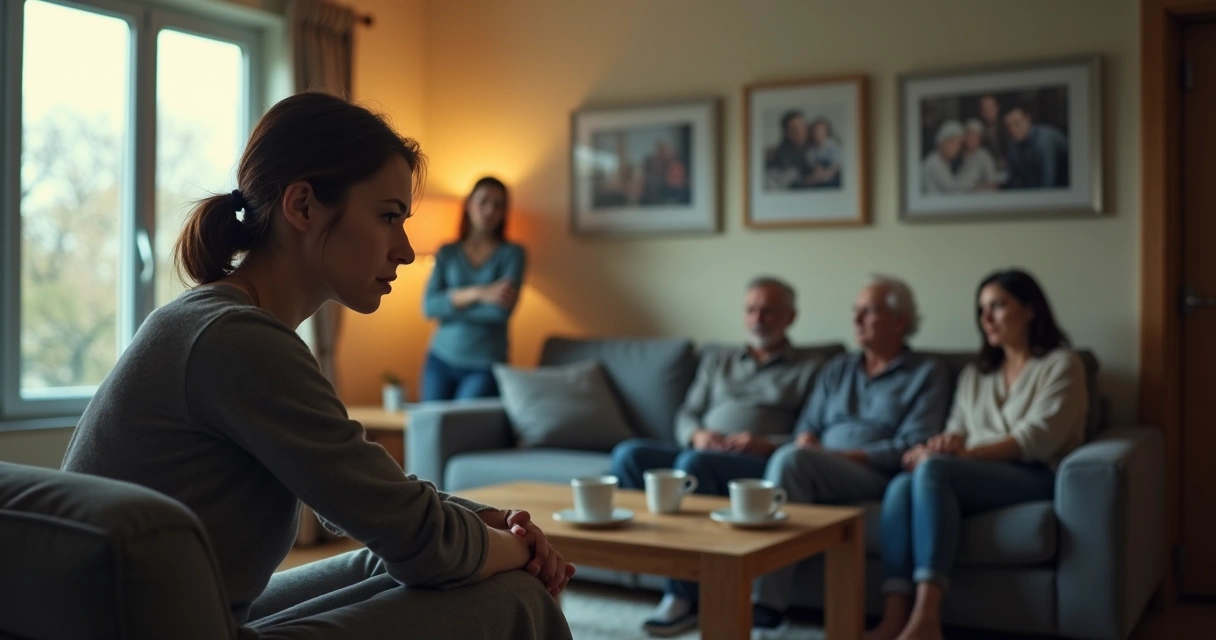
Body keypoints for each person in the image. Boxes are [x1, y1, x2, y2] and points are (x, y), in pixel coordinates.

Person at [60, 92, 573, 640]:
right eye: (388, 217)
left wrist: (485, 521)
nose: (403, 250)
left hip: (165, 616)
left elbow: (361, 495)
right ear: (302, 206)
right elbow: (421, 542)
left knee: (396, 561)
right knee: (512, 592)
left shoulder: (224, 321)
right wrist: (519, 550)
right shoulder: (237, 340)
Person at [866, 269, 1089, 640]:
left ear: (1030, 309)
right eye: (981, 309)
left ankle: (926, 618)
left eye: (998, 306)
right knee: (903, 485)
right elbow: (956, 427)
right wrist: (937, 446)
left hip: (1032, 474)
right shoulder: (976, 374)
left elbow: (1036, 439)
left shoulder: (1062, 365)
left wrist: (961, 457)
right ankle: (894, 617)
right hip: (973, 474)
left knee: (935, 471)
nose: (986, 318)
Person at [609, 276, 821, 637]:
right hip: (702, 448)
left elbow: (811, 433)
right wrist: (698, 434)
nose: (758, 318)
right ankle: (673, 577)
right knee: (629, 455)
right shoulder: (718, 361)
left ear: (790, 317)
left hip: (756, 461)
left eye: (768, 311)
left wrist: (764, 442)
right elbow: (687, 412)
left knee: (691, 467)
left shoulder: (811, 367)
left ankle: (683, 597)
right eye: (751, 309)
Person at [750, 275, 952, 637]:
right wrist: (809, 439)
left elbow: (912, 446)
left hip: (878, 474)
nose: (856, 320)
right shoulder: (838, 368)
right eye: (855, 311)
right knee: (792, 456)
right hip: (822, 466)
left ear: (899, 321)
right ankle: (767, 607)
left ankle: (765, 606)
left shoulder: (927, 373)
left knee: (791, 460)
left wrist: (835, 454)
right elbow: (806, 425)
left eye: (868, 312)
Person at [421, 176, 526, 401]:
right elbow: (429, 307)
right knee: (431, 427)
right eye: (484, 201)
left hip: (485, 365)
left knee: (464, 429)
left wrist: (451, 302)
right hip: (440, 358)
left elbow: (500, 312)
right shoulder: (447, 252)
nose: (490, 210)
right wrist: (479, 293)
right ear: (469, 204)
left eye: (498, 205)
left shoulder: (513, 254)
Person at [1003, 105, 1070, 189]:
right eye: (1008, 126)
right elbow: (1013, 179)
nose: (1012, 130)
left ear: (1027, 119)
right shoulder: (1013, 145)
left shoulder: (1044, 141)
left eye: (1016, 123)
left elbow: (1048, 181)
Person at [920, 120, 965, 194]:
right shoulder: (933, 163)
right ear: (942, 141)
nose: (957, 147)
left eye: (959, 143)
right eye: (953, 142)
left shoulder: (944, 162)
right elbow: (953, 192)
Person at [956, 118, 1001, 191]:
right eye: (970, 135)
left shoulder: (985, 156)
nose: (972, 139)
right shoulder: (956, 154)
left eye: (976, 136)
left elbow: (993, 184)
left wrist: (974, 188)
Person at [804, 117, 842, 188]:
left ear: (826, 132)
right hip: (819, 174)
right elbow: (813, 164)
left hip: (833, 173)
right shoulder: (810, 149)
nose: (818, 133)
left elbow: (836, 164)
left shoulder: (833, 145)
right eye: (815, 131)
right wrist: (818, 173)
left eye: (821, 131)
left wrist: (827, 174)